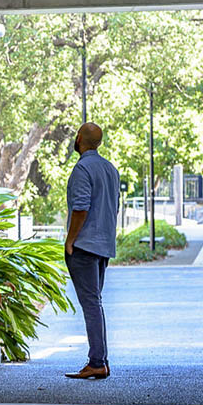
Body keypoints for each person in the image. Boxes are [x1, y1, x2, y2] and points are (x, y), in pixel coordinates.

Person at [64, 122, 120, 380]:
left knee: (91, 304)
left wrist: (70, 240)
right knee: (95, 303)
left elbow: (80, 208)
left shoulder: (82, 169)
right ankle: (100, 360)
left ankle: (97, 362)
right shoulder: (110, 169)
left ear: (79, 139)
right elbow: (113, 207)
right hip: (103, 245)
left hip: (84, 245)